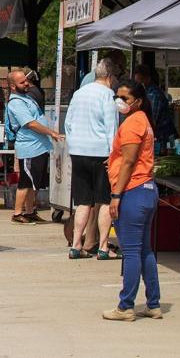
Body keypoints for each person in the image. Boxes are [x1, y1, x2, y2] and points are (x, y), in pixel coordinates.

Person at [102, 79, 161, 321]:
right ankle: (153, 304)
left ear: (137, 101)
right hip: (146, 189)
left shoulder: (133, 123)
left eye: (124, 98)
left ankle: (126, 306)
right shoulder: (143, 120)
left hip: (133, 191)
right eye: (118, 96)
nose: (120, 101)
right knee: (144, 250)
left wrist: (116, 195)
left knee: (131, 251)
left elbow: (128, 161)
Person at [65, 57, 121, 260]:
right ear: (110, 77)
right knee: (104, 200)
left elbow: (68, 123)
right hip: (100, 153)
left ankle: (76, 244)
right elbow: (111, 128)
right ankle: (104, 246)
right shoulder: (108, 95)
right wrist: (113, 153)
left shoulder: (79, 93)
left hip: (78, 151)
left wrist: (74, 144)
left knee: (82, 202)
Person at [5, 69, 63, 224]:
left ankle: (30, 211)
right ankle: (17, 213)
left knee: (33, 183)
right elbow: (30, 123)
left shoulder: (26, 98)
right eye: (22, 82)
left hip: (39, 147)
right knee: (25, 181)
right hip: (30, 148)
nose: (26, 84)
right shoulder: (16, 103)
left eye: (26, 80)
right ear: (12, 86)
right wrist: (52, 133)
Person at [133, 64, 175, 153]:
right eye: (137, 82)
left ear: (148, 78)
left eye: (140, 81)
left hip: (162, 137)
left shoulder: (153, 94)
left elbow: (152, 119)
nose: (139, 85)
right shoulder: (147, 92)